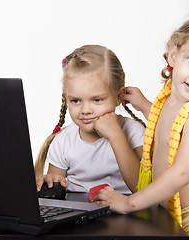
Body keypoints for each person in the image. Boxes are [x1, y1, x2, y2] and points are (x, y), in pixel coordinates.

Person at [94, 12, 189, 240]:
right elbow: (169, 125)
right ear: (173, 55)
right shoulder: (170, 98)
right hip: (169, 215)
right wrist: (144, 105)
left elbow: (181, 173)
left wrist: (127, 203)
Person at [34, 44, 145, 194]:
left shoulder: (134, 132)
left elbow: (143, 189)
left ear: (119, 96)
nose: (85, 110)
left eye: (97, 100)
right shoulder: (64, 141)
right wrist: (48, 183)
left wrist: (115, 135)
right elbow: (55, 191)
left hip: (129, 213)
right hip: (79, 214)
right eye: (75, 101)